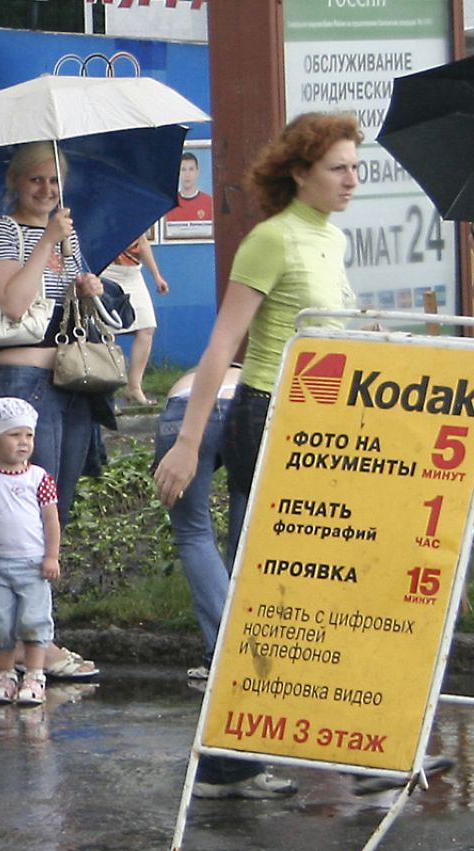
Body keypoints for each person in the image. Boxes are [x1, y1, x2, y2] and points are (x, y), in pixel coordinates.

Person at [154, 112, 366, 801]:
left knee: (304, 590)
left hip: (322, 422)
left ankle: (230, 760)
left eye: (355, 166)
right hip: (268, 416)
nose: (351, 179)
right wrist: (188, 443)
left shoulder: (331, 239)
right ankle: (322, 757)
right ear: (298, 172)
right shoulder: (270, 240)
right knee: (273, 590)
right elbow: (223, 346)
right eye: (337, 167)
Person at [0, 143, 109, 521]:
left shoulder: (68, 234)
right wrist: (47, 240)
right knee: (27, 499)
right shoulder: (4, 230)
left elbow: (65, 310)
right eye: (36, 179)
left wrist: (85, 292)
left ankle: (46, 579)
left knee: (59, 504)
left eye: (55, 180)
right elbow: (14, 304)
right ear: (14, 181)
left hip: (73, 377)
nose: (46, 189)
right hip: (27, 378)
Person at [152, 364, 241, 680]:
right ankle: (242, 647)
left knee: (193, 532)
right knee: (245, 536)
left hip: (185, 404)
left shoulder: (205, 362)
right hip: (248, 406)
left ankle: (221, 650)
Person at [0, 398, 60, 707]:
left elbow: (51, 520)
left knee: (35, 619)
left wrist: (51, 556)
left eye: (29, 436)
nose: (24, 442)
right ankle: (5, 674)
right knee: (0, 622)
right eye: (14, 435)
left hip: (33, 564)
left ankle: (35, 674)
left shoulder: (39, 478)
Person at [103, 230, 167, 405]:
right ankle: (106, 391)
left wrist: (157, 276)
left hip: (133, 274)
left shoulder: (133, 211)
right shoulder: (103, 212)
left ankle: (134, 387)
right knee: (106, 332)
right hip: (106, 273)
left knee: (147, 327)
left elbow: (143, 243)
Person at [171, 152, 213, 224]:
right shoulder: (171, 204)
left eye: (191, 169)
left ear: (197, 172)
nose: (187, 174)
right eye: (183, 169)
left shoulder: (210, 203)